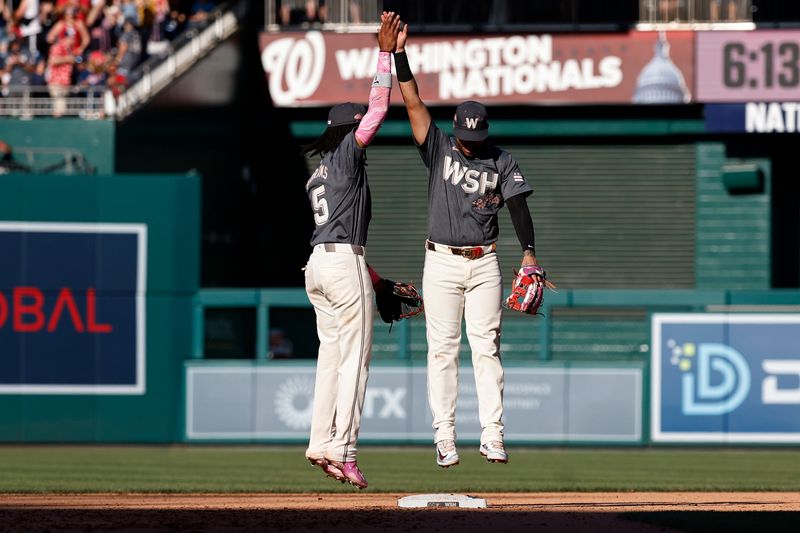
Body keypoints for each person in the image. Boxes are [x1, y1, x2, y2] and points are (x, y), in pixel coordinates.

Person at [393, 22, 547, 467]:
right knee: (442, 349)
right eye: (466, 136)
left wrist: (530, 252)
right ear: (456, 128)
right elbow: (412, 101)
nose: (472, 144)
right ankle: (444, 435)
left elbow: (518, 206)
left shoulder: (501, 159)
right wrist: (400, 56)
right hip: (440, 260)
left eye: (477, 138)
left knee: (487, 346)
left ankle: (493, 434)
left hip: (485, 263)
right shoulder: (439, 146)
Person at [302, 11, 400, 489]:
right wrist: (385, 54)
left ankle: (321, 442)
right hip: (341, 264)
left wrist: (376, 280)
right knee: (355, 359)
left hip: (318, 268)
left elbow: (336, 233)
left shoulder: (316, 173)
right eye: (357, 127)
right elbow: (378, 108)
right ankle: (343, 449)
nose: (365, 131)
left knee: (331, 358)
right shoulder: (345, 155)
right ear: (347, 131)